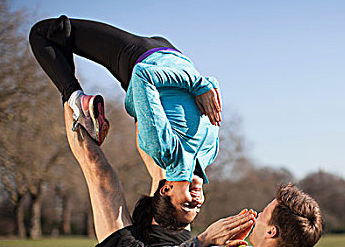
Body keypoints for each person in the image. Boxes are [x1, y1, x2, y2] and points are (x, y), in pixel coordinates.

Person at [62, 104, 323, 247]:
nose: (256, 215)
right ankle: (137, 99)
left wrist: (205, 239)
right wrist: (224, 245)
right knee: (166, 174)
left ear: (272, 232)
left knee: (101, 174)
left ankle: (69, 92)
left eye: (264, 215)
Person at [29, 16, 222, 226]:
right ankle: (78, 101)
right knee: (57, 38)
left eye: (187, 205)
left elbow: (143, 76)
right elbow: (211, 88)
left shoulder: (165, 150)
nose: (197, 200)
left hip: (139, 56)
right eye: (197, 207)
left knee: (44, 32)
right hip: (173, 53)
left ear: (166, 189)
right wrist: (202, 84)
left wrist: (197, 84)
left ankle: (77, 99)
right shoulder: (209, 154)